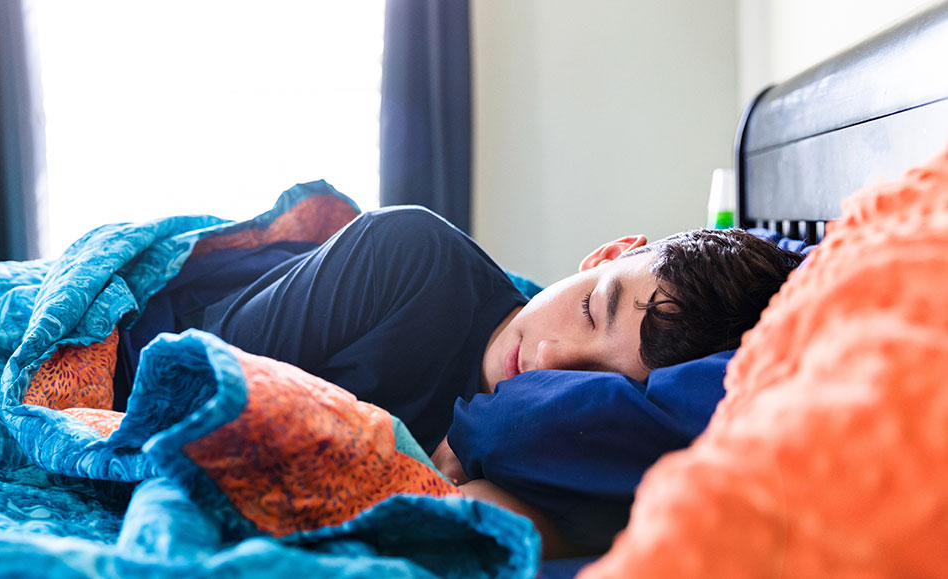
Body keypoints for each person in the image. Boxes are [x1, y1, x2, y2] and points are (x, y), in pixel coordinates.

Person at [115, 204, 803, 557]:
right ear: (607, 254)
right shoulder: (408, 256)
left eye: (597, 379)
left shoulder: (554, 443)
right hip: (151, 322)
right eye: (594, 307)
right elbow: (179, 382)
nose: (553, 360)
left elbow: (476, 520)